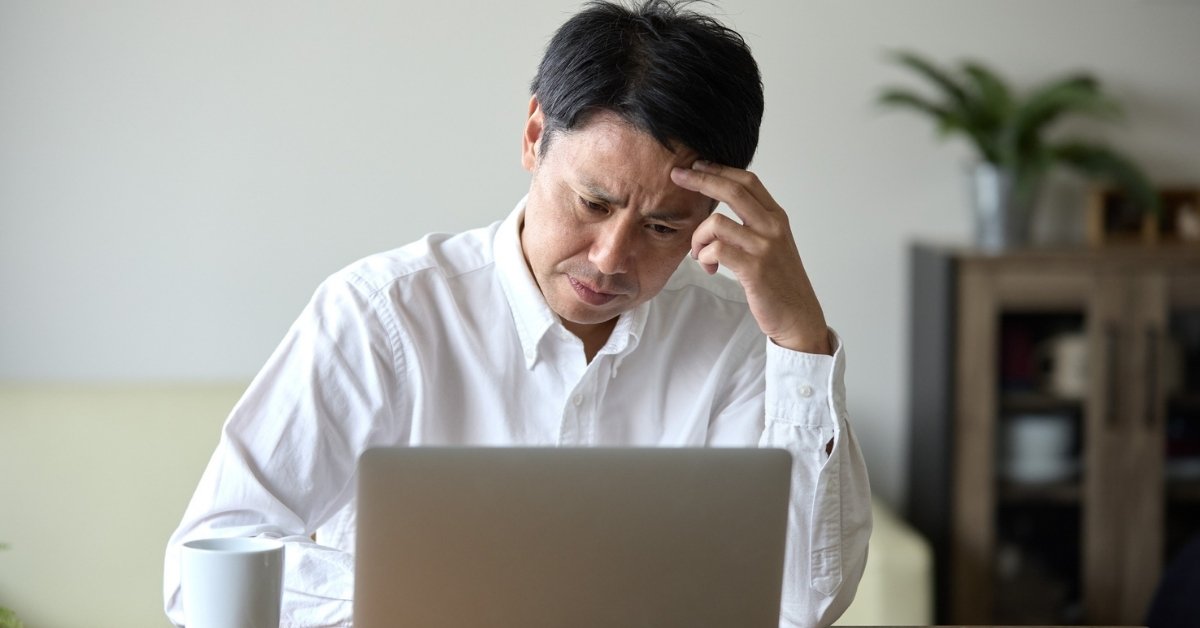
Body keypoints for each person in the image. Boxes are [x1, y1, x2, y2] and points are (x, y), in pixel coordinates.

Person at [163, 1, 872, 626]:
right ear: (535, 134)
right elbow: (204, 570)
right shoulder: (383, 315)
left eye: (663, 228)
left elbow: (801, 606)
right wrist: (427, 606)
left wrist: (800, 341)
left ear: (715, 213)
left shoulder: (740, 339)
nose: (609, 257)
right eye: (593, 203)